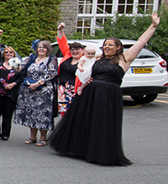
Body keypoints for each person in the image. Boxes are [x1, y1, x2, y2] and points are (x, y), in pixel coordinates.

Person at [49, 12, 161, 166]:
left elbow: (141, 42)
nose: (107, 47)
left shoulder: (125, 59)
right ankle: (80, 149)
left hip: (109, 95)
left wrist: (153, 26)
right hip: (90, 93)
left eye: (111, 45)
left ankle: (99, 153)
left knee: (102, 123)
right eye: (105, 45)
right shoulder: (97, 59)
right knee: (84, 121)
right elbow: (71, 53)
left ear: (118, 48)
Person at [14, 40, 58, 146]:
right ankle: (32, 136)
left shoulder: (52, 59)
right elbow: (20, 67)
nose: (41, 49)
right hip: (29, 90)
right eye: (39, 47)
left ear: (48, 49)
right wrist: (14, 63)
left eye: (44, 47)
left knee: (43, 114)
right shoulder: (32, 58)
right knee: (31, 113)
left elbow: (52, 73)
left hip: (44, 91)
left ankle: (43, 137)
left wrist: (38, 84)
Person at [0, 46, 20, 141]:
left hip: (10, 93)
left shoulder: (16, 64)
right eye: (6, 52)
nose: (8, 54)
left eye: (10, 52)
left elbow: (21, 78)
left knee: (7, 115)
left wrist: (13, 84)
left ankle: (5, 133)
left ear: (13, 54)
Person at [55, 22, 84, 117]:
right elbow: (62, 41)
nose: (74, 51)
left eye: (77, 49)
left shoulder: (85, 61)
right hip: (62, 90)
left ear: (82, 50)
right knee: (63, 115)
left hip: (75, 91)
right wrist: (60, 29)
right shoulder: (67, 56)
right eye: (72, 49)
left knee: (75, 115)